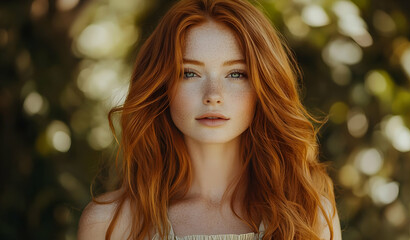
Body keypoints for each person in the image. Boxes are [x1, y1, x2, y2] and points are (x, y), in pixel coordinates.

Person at [77, 0, 342, 239]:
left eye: (236, 74)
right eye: (190, 73)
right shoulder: (108, 224)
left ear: (264, 86)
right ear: (162, 86)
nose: (213, 95)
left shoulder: (310, 217)